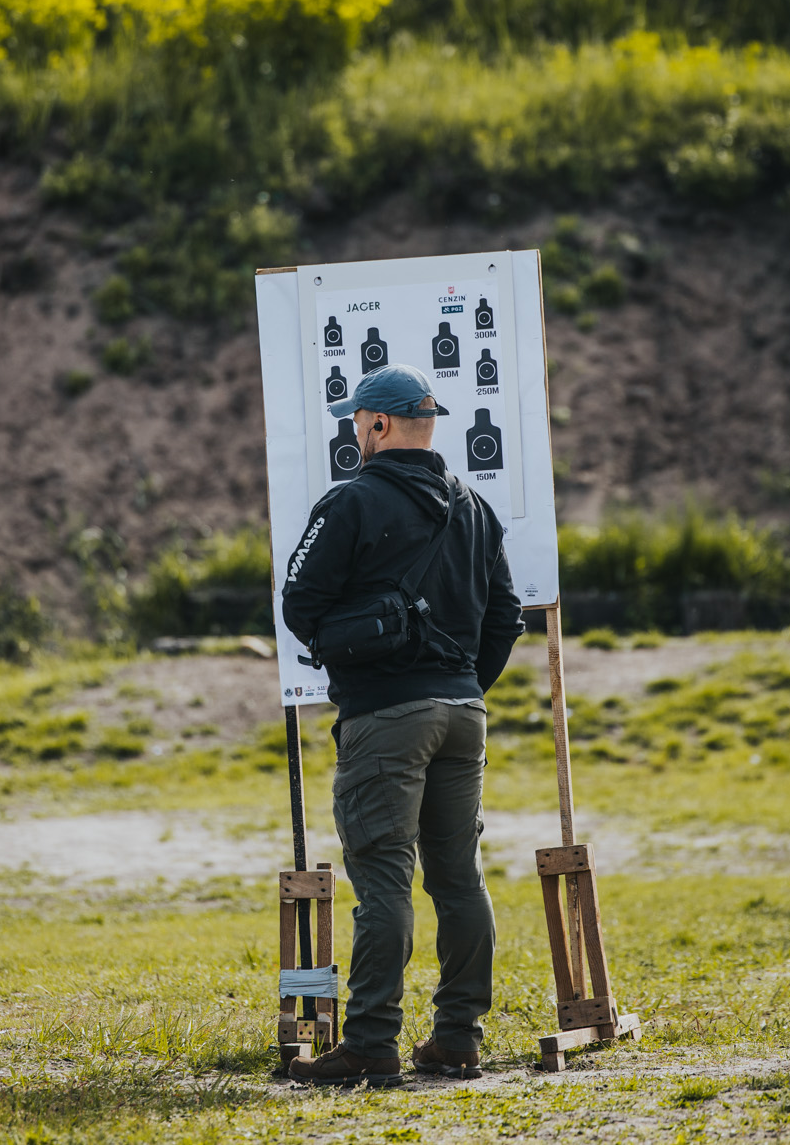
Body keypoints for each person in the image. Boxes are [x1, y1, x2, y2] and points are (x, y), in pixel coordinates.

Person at [278, 363, 526, 1086]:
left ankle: (372, 1042)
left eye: (356, 419)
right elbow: (506, 616)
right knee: (459, 880)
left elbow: (300, 602)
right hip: (463, 714)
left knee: (383, 878)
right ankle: (458, 1037)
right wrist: (460, 685)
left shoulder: (349, 502)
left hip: (386, 716)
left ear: (379, 425)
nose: (353, 428)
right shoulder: (475, 508)